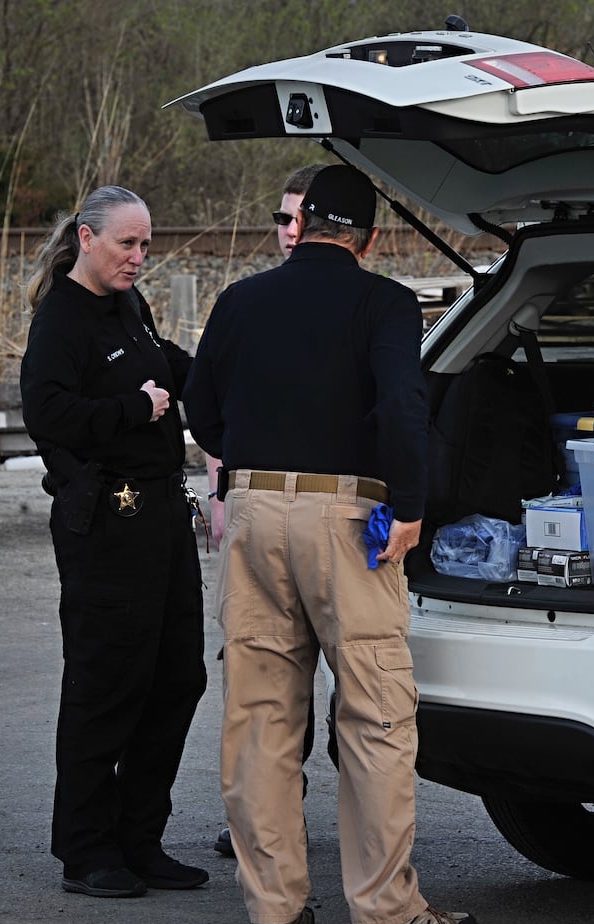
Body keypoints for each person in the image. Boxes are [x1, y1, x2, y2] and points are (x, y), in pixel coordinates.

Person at [183, 165, 477, 924]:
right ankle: (386, 910)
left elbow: (201, 410)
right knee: (375, 712)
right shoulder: (383, 302)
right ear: (368, 239)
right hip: (351, 516)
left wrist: (252, 473)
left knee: (260, 714)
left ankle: (272, 906)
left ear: (303, 223)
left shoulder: (241, 300)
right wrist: (409, 507)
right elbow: (401, 405)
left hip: (250, 509)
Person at [20, 185, 209, 899]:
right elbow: (47, 411)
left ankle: (140, 838)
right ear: (87, 238)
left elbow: (163, 361)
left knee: (176, 678)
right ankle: (87, 848)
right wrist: (133, 408)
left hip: (162, 514)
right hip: (107, 522)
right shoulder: (62, 319)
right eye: (128, 244)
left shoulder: (129, 303)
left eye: (146, 246)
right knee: (108, 684)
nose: (139, 257)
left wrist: (219, 378)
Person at [206, 162, 328, 860]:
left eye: (299, 219)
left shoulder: (357, 304)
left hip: (336, 519)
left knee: (342, 682)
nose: (288, 233)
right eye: (281, 220)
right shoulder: (246, 303)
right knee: (260, 679)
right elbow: (208, 401)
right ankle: (267, 817)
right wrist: (232, 470)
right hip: (253, 512)